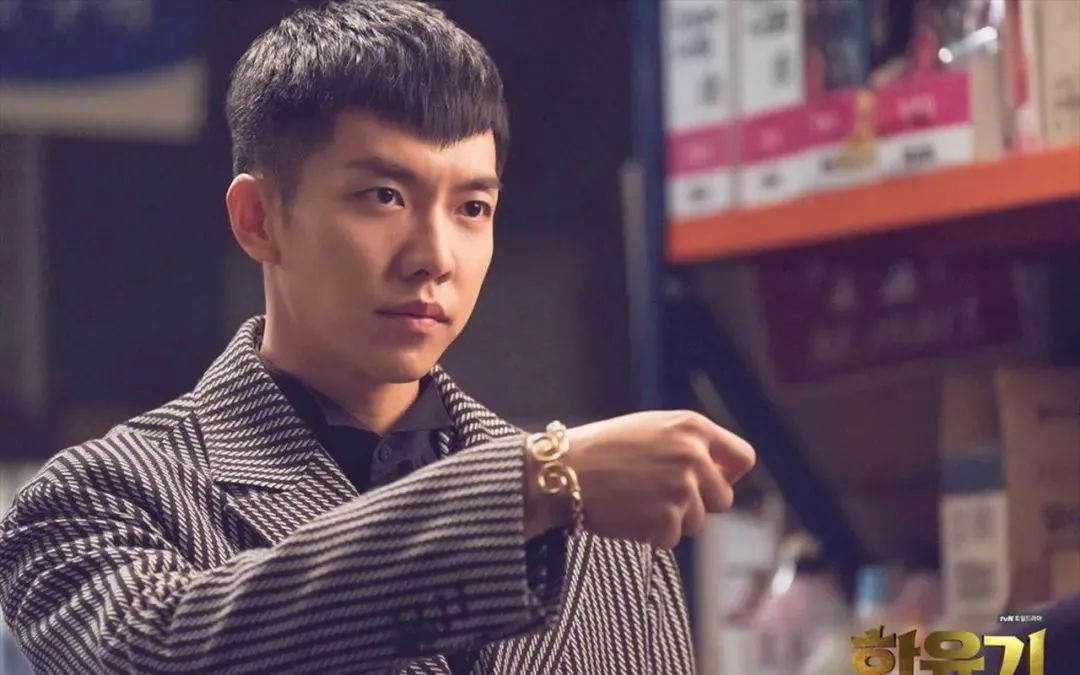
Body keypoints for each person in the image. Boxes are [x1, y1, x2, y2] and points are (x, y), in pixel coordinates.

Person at [0, 1, 755, 673]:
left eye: (472, 208)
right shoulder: (98, 495)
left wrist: (545, 486)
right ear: (258, 220)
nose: (435, 256)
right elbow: (160, 651)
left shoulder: (602, 523)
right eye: (383, 196)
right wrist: (531, 486)